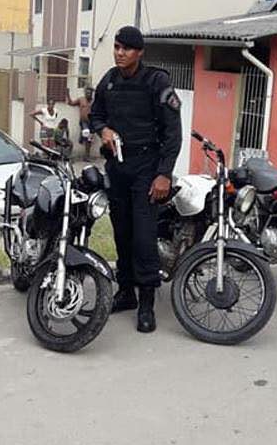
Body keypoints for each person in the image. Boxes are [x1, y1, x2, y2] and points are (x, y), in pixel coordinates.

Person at [89, 26, 181, 333]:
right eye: (116, 47)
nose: (119, 53)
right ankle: (126, 292)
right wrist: (103, 130)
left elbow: (172, 133)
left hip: (147, 167)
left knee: (143, 237)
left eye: (126, 49)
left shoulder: (157, 81)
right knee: (122, 233)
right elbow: (95, 114)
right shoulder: (110, 80)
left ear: (139, 53)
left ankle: (146, 303)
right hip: (118, 166)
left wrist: (164, 173)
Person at [68, 88, 95, 160]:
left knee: (89, 139)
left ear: (92, 94)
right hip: (84, 122)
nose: (88, 94)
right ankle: (82, 137)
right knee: (86, 134)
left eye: (89, 93)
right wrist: (67, 94)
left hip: (92, 123)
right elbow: (71, 103)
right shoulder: (81, 99)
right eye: (87, 93)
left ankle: (87, 155)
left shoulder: (95, 101)